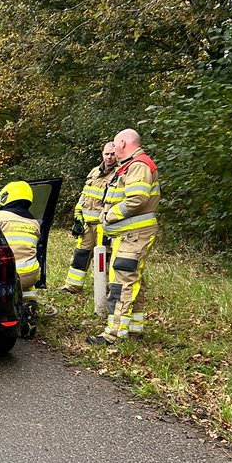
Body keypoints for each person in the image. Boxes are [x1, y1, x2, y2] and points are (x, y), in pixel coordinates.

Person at [87, 128, 160, 345]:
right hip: (130, 235)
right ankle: (135, 329)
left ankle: (114, 333)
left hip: (134, 235)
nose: (113, 150)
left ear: (124, 142)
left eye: (115, 146)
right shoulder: (131, 166)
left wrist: (109, 216)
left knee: (122, 281)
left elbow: (137, 198)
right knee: (133, 278)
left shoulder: (138, 166)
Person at [61, 142, 118, 293]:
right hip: (86, 225)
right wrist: (77, 215)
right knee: (81, 255)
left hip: (104, 226)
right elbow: (84, 195)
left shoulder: (120, 174)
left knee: (104, 258)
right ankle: (73, 286)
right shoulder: (94, 172)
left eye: (113, 154)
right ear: (102, 154)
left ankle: (104, 289)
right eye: (107, 154)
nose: (109, 157)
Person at [0, 180, 43, 313]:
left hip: (5, 276)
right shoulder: (34, 223)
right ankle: (29, 304)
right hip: (30, 274)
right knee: (28, 284)